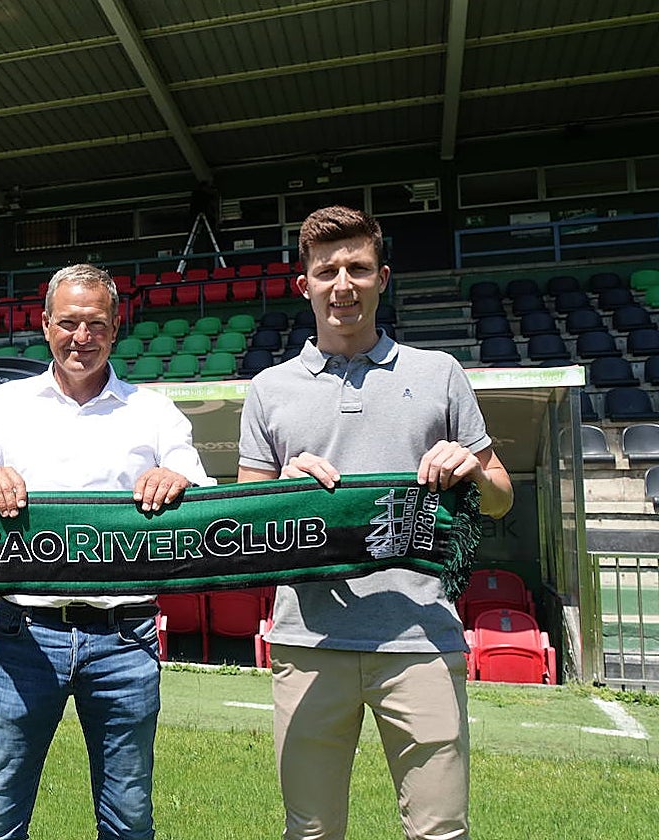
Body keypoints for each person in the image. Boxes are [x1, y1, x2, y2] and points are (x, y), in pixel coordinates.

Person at [236, 206, 513, 840]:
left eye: (358, 268)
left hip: (421, 639)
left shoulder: (440, 373)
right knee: (310, 831)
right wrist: (282, 492)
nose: (343, 285)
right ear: (304, 284)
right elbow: (248, 524)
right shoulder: (268, 389)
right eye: (327, 271)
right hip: (308, 640)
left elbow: (499, 498)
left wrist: (470, 468)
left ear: (382, 278)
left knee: (440, 831)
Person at [0, 264, 213, 840]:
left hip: (125, 637)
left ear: (116, 328)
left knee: (128, 818)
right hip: (23, 633)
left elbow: (204, 498)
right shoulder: (3, 405)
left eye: (96, 324)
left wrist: (177, 480)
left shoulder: (154, 411)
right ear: (45, 325)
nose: (81, 337)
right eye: (68, 323)